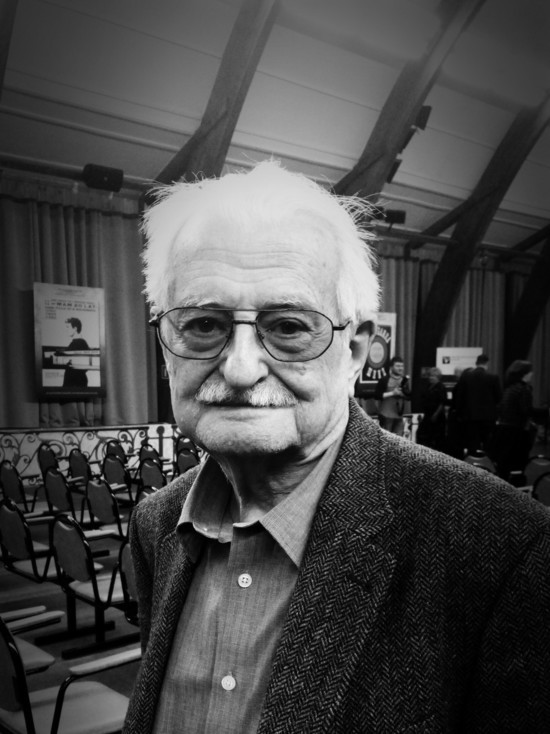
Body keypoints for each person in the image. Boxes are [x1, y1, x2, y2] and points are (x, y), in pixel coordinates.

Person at [123, 161, 550, 734]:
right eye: (203, 324)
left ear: (353, 353)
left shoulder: (504, 549)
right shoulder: (155, 524)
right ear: (165, 345)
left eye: (289, 327)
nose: (241, 368)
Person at [493, 359, 535, 483]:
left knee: (504, 466)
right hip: (517, 433)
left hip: (504, 431)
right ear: (524, 374)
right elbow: (527, 410)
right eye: (530, 372)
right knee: (517, 465)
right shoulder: (523, 389)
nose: (532, 374)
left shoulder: (509, 388)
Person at [453, 353, 501, 456]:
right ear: (487, 363)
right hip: (488, 418)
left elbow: (460, 397)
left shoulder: (466, 377)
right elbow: (498, 398)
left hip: (470, 417)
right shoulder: (493, 377)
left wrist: (460, 414)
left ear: (476, 363)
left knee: (472, 444)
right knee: (488, 444)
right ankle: (487, 463)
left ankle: (472, 463)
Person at [373, 356, 411, 435]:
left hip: (399, 416)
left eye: (402, 366)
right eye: (397, 366)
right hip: (386, 416)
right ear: (391, 367)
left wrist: (402, 394)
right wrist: (393, 393)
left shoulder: (404, 380)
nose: (400, 368)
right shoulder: (384, 380)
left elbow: (409, 397)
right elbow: (377, 395)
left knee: (398, 440)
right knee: (386, 438)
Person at [416, 366, 447, 452]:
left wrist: (435, 414)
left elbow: (442, 402)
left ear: (438, 377)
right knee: (422, 435)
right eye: (430, 375)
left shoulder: (441, 387)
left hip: (437, 416)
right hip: (428, 414)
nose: (430, 378)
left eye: (433, 376)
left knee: (436, 437)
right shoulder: (428, 386)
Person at [59, 317, 90, 387]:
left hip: (75, 382)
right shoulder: (80, 342)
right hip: (77, 380)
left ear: (75, 328)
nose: (66, 330)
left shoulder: (78, 343)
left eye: (68, 327)